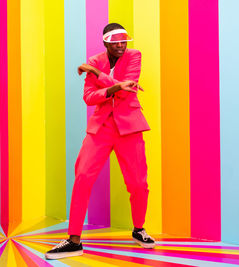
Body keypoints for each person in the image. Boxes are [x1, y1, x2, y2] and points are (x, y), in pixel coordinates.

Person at [45, 23, 155, 260]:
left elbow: (127, 92)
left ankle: (138, 229)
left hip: (130, 127)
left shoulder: (133, 56)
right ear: (105, 42)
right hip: (101, 128)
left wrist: (98, 76)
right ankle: (74, 240)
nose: (121, 45)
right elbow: (89, 98)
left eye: (124, 41)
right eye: (115, 42)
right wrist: (113, 85)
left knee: (138, 183)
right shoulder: (94, 60)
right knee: (82, 176)